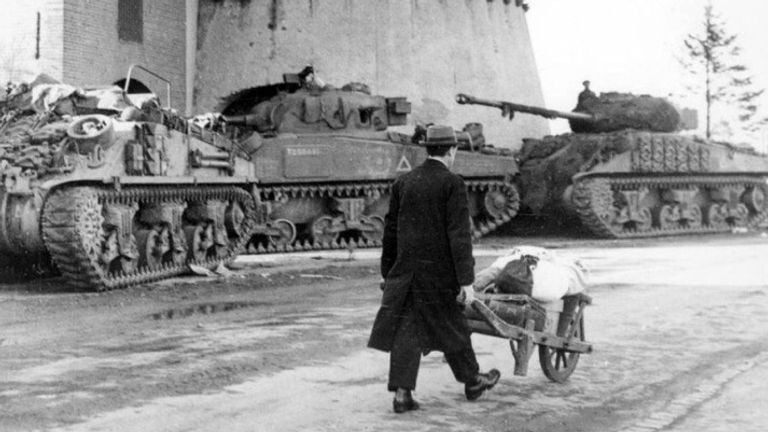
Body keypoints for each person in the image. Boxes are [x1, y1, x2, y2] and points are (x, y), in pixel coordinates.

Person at [367, 124, 501, 414]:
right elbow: (459, 236)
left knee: (407, 330)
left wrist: (388, 271)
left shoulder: (404, 182)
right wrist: (466, 281)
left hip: (407, 273)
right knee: (453, 325)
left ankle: (403, 395)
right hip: (439, 275)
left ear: (427, 149)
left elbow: (390, 231)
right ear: (452, 150)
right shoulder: (452, 183)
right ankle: (473, 381)